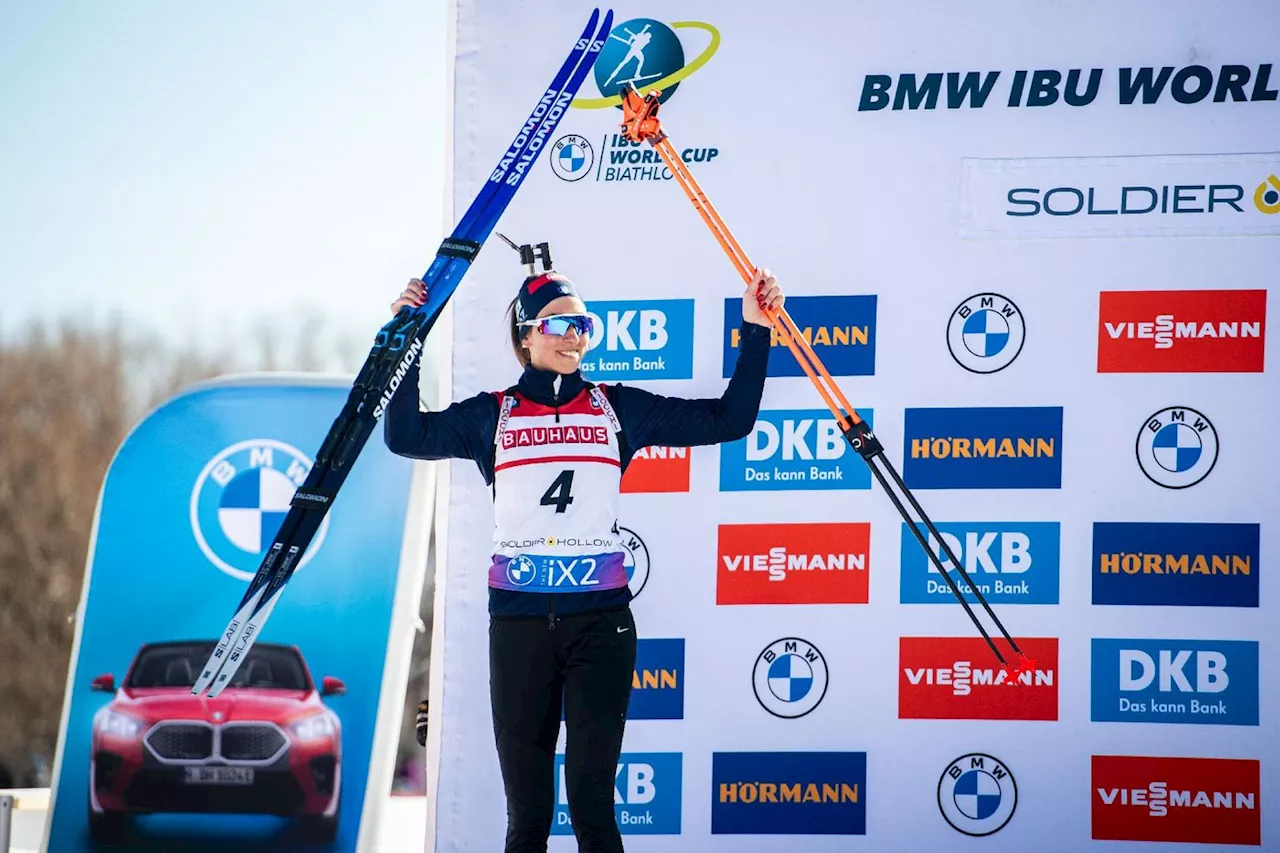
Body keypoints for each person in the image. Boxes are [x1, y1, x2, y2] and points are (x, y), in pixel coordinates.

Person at [383, 259, 783, 853]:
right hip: (520, 629)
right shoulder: (492, 413)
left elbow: (731, 419)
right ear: (525, 335)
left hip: (600, 626)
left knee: (593, 808)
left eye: (583, 325)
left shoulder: (615, 406)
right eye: (559, 324)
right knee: (528, 818)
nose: (574, 336)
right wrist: (405, 339)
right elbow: (406, 435)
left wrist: (756, 328)